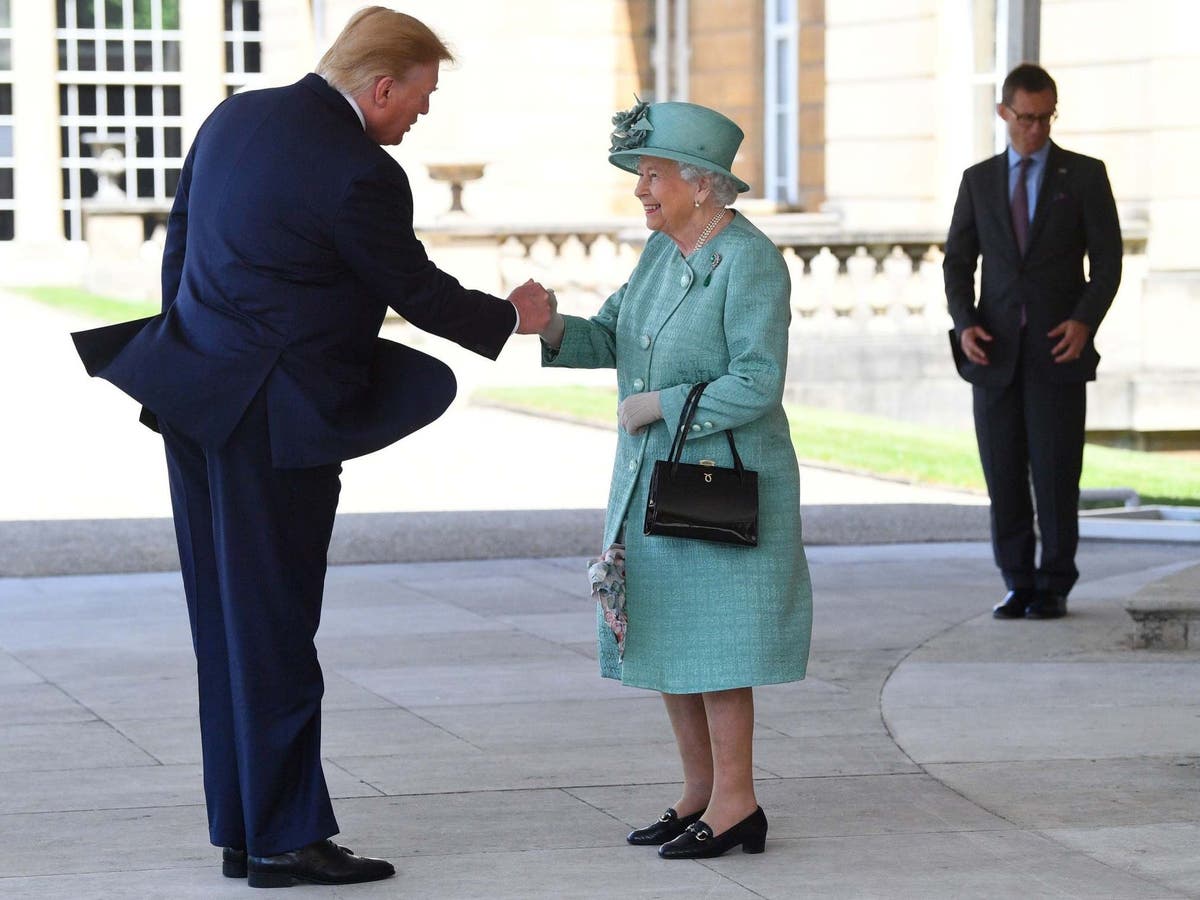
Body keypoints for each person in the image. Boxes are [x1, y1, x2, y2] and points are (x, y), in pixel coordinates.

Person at [71, 7, 551, 889]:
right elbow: (413, 287)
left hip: (195, 398)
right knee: (278, 628)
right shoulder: (358, 171)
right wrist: (512, 318)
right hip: (275, 424)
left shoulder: (234, 117)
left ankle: (245, 826)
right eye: (420, 98)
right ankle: (287, 840)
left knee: (226, 625)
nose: (421, 117)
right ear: (381, 86)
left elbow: (177, 260)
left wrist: (194, 357)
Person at [539, 100, 812, 859]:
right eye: (641, 176)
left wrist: (663, 405)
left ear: (702, 184)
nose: (640, 191)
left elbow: (758, 381)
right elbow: (613, 334)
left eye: (652, 175)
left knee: (719, 648)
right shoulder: (660, 254)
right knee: (668, 636)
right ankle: (699, 793)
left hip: (722, 484)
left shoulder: (752, 260)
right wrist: (554, 327)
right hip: (653, 480)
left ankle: (738, 803)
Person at [944, 63, 1122, 621]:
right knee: (1003, 473)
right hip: (993, 352)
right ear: (1004, 114)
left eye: (1046, 118)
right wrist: (966, 320)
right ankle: (1018, 581)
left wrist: (1084, 321)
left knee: (1055, 472)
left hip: (1058, 351)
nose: (1036, 130)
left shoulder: (1085, 176)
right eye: (1026, 118)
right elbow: (957, 262)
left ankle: (1055, 584)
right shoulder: (979, 180)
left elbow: (1109, 263)